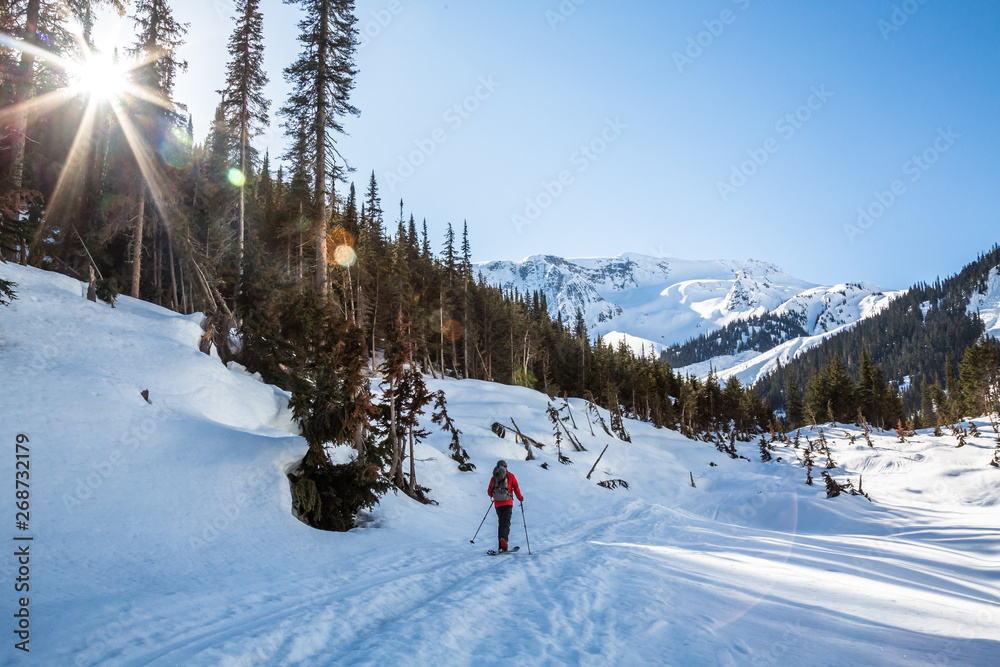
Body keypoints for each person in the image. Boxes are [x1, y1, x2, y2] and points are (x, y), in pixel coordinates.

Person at [487, 460, 523, 552]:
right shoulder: (511, 476)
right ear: (506, 466)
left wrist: (494, 495)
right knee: (506, 522)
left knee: (501, 523)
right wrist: (520, 498)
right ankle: (504, 539)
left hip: (497, 503)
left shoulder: (494, 477)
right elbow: (516, 488)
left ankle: (500, 546)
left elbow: (489, 492)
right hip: (508, 502)